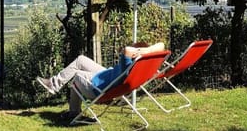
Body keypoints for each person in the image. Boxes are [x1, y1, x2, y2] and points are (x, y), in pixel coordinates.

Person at [35, 42, 166, 118]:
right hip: (107, 75)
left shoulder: (129, 62)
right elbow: (162, 45)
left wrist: (140, 51)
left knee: (76, 76)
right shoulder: (143, 66)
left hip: (99, 87)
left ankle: (74, 112)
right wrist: (148, 50)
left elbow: (128, 50)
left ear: (136, 53)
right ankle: (54, 84)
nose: (131, 45)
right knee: (81, 59)